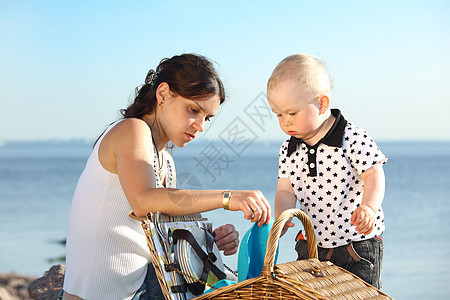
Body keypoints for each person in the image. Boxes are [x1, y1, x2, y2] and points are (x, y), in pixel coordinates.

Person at [61, 53, 271, 300]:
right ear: (163, 94)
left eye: (207, 118)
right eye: (194, 110)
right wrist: (227, 197)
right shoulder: (132, 129)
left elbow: (165, 230)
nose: (200, 126)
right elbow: (144, 200)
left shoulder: (165, 160)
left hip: (140, 289)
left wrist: (210, 241)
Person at [266, 54, 387, 289]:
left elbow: (373, 173)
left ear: (322, 104)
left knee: (361, 294)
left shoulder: (351, 137)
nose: (285, 122)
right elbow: (285, 190)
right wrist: (282, 217)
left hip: (356, 244)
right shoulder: (288, 149)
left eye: (292, 113)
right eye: (278, 114)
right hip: (312, 245)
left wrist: (369, 208)